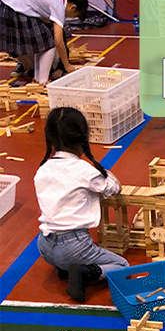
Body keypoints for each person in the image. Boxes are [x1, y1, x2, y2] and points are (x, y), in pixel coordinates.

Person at [35, 107, 129, 303]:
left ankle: (65, 268)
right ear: (84, 138)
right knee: (122, 266)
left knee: (65, 254)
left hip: (44, 245)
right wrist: (108, 174)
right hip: (73, 246)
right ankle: (87, 273)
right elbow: (114, 187)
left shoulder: (43, 169)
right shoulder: (84, 170)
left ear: (50, 139)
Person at [0, 0, 88, 84]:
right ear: (73, 7)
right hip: (13, 8)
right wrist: (67, 65)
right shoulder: (58, 6)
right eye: (74, 15)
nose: (70, 17)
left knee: (42, 43)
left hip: (4, 4)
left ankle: (38, 79)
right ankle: (42, 81)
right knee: (49, 43)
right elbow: (58, 41)